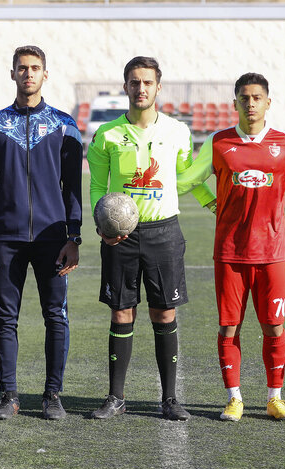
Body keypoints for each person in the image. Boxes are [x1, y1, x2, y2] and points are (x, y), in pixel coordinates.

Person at [176, 73, 285, 422]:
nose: (250, 103)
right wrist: (153, 187)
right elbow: (187, 180)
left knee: (274, 327)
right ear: (234, 103)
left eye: (257, 97)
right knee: (229, 327)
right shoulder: (218, 143)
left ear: (268, 102)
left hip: (273, 252)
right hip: (230, 253)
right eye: (244, 98)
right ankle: (234, 398)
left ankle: (275, 398)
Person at [87, 56, 216, 421]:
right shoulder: (107, 134)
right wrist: (104, 224)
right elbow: (97, 185)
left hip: (164, 233)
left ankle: (170, 399)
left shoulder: (177, 131)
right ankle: (116, 397)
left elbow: (187, 179)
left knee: (164, 311)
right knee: (121, 310)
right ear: (125, 86)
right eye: (134, 82)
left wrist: (215, 206)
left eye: (147, 82)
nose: (140, 88)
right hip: (120, 238)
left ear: (159, 87)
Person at [0, 46, 82, 420]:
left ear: (45, 74)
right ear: (13, 74)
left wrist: (75, 236)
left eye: (35, 68)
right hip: (6, 238)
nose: (29, 74)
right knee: (5, 316)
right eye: (22, 68)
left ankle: (52, 395)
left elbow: (72, 187)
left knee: (56, 315)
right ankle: (9, 395)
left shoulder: (64, 124)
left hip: (54, 238)